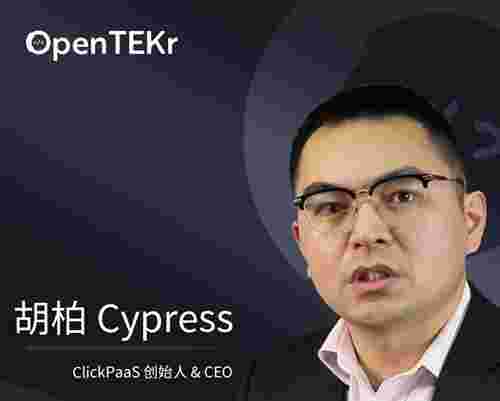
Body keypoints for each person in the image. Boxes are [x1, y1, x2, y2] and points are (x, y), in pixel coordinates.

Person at [236, 84, 500, 400]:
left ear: (471, 221)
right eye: (331, 207)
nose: (366, 233)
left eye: (402, 196)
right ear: (301, 243)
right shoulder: (270, 382)